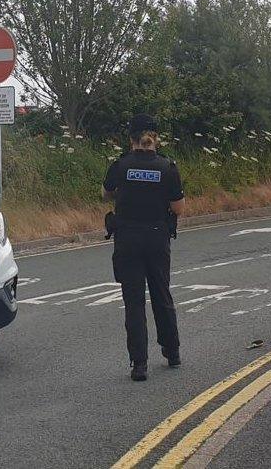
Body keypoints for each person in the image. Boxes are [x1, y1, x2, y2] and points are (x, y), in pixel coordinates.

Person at [102, 114, 185, 382]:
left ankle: (139, 364)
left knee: (134, 302)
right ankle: (172, 352)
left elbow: (106, 192)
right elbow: (178, 208)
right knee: (162, 295)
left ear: (131, 139)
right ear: (155, 138)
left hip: (127, 239)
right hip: (157, 238)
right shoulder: (167, 167)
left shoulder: (120, 165)